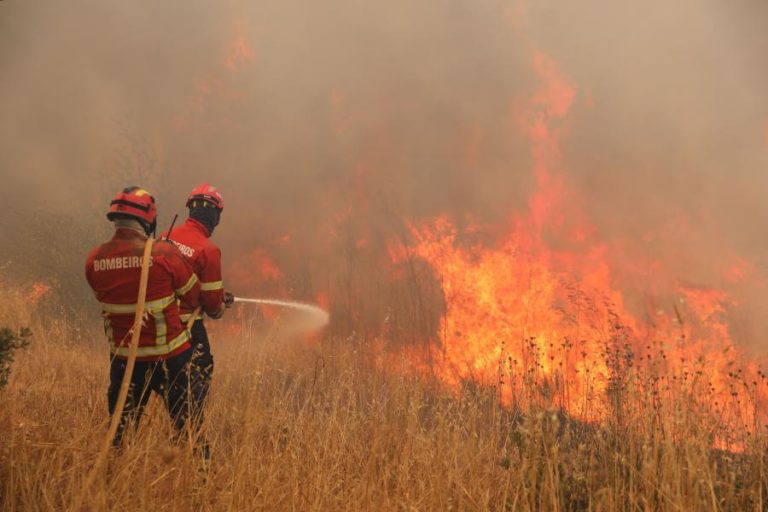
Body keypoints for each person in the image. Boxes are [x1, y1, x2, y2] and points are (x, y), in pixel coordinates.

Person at [85, 186, 201, 448]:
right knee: (188, 426)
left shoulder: (94, 260)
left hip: (125, 359)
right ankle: (200, 474)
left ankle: (117, 474)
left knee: (121, 430)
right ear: (148, 220)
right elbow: (193, 296)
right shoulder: (164, 254)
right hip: (170, 357)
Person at [161, 183, 233, 454]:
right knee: (199, 374)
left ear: (190, 208)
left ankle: (177, 426)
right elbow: (213, 307)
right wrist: (219, 305)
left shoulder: (166, 235)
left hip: (157, 324)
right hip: (187, 328)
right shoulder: (208, 250)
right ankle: (190, 433)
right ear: (216, 216)